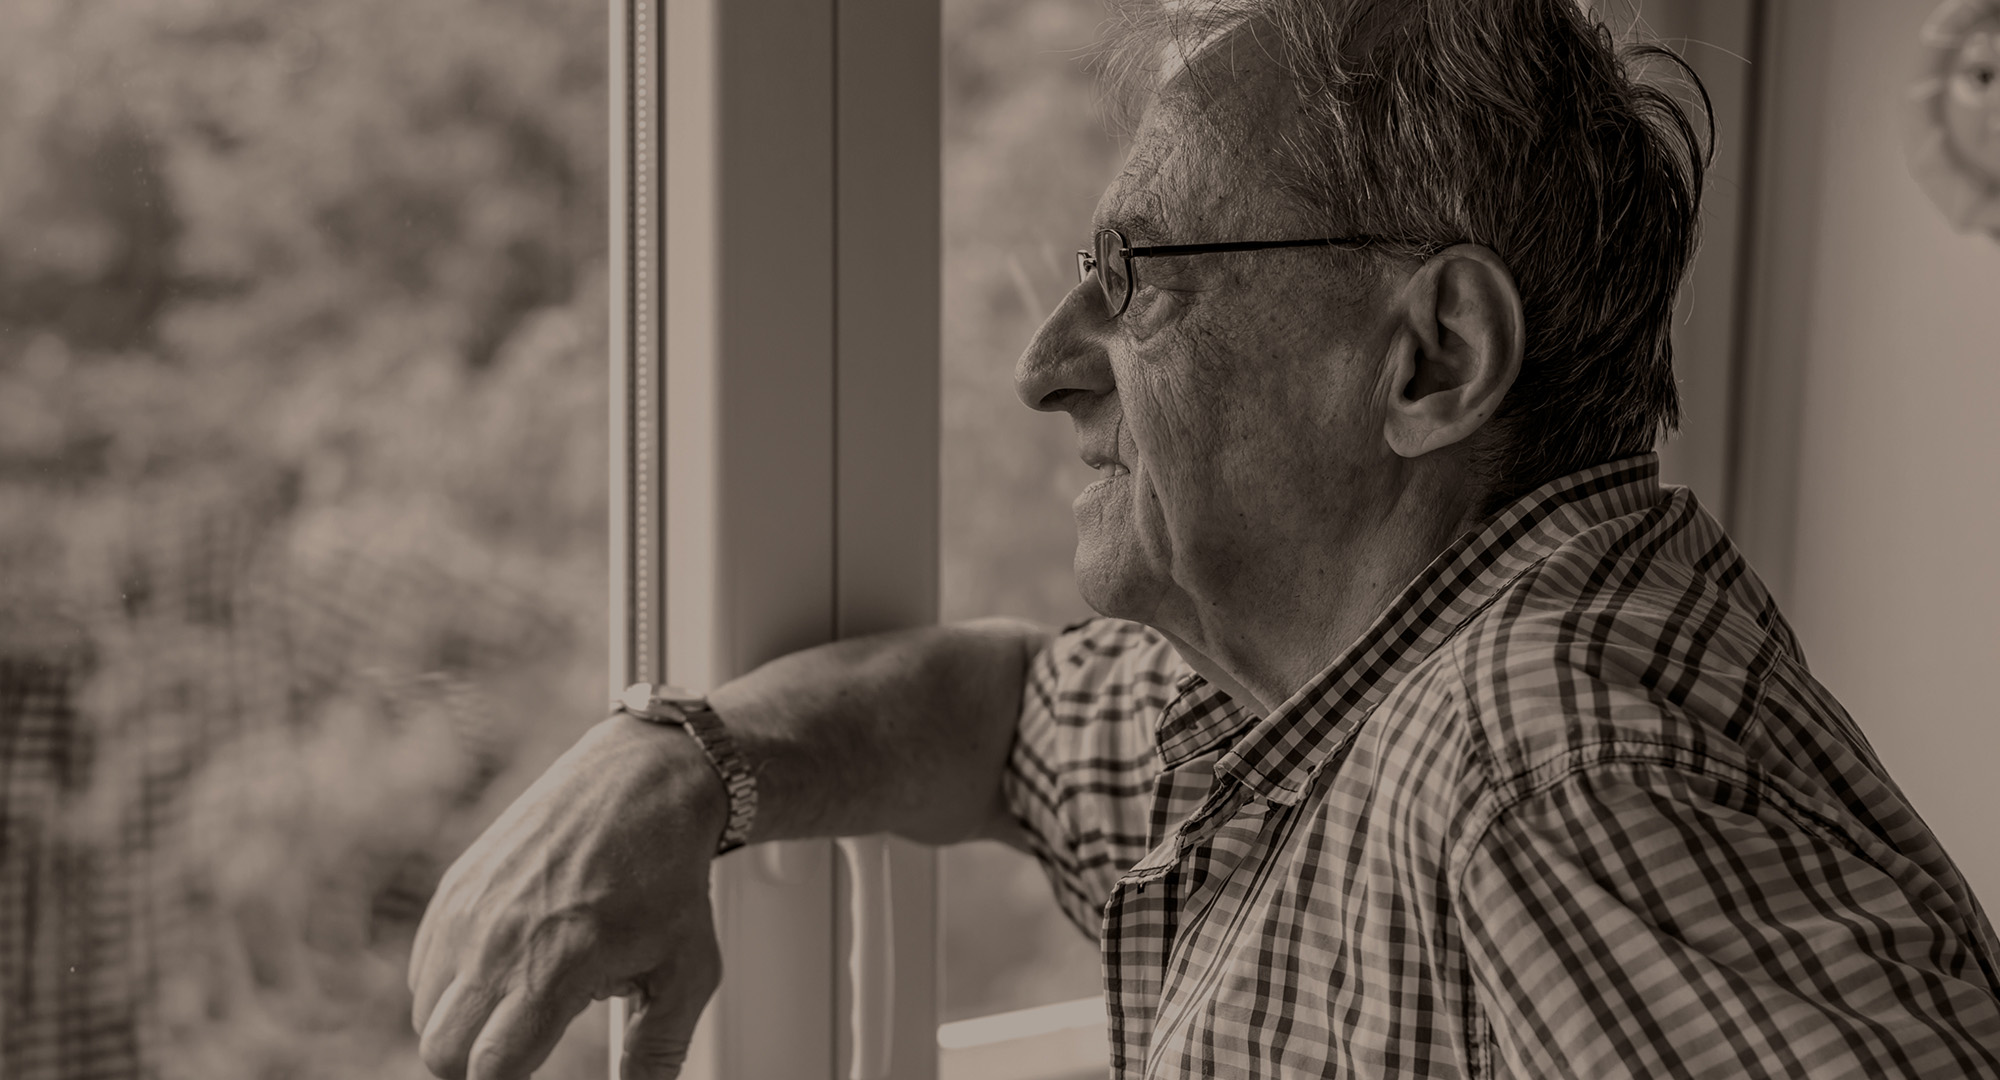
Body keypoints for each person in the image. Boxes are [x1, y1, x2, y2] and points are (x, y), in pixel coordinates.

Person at [406, 2, 2000, 1077]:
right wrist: (687, 762)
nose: (1044, 366)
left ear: (1431, 358)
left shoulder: (1547, 764)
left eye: (1143, 275)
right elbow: (1002, 715)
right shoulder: (1330, 684)